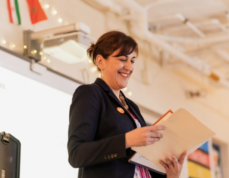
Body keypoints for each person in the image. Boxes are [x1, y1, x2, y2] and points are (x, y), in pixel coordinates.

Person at [68, 31, 186, 178]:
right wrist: (127, 140)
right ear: (100, 61)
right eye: (123, 59)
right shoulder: (91, 94)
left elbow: (140, 164)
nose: (129, 67)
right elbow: (76, 154)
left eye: (132, 61)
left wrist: (171, 174)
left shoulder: (131, 106)